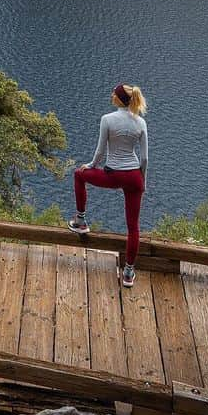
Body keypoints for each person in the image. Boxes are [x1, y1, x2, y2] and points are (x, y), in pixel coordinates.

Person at [68, 82, 148, 287]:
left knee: (79, 175)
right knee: (133, 227)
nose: (111, 94)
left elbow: (101, 151)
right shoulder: (140, 123)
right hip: (133, 177)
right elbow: (144, 159)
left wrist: (91, 166)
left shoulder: (107, 120)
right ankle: (128, 272)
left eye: (114, 92)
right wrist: (142, 180)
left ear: (119, 98)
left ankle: (81, 221)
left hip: (112, 175)